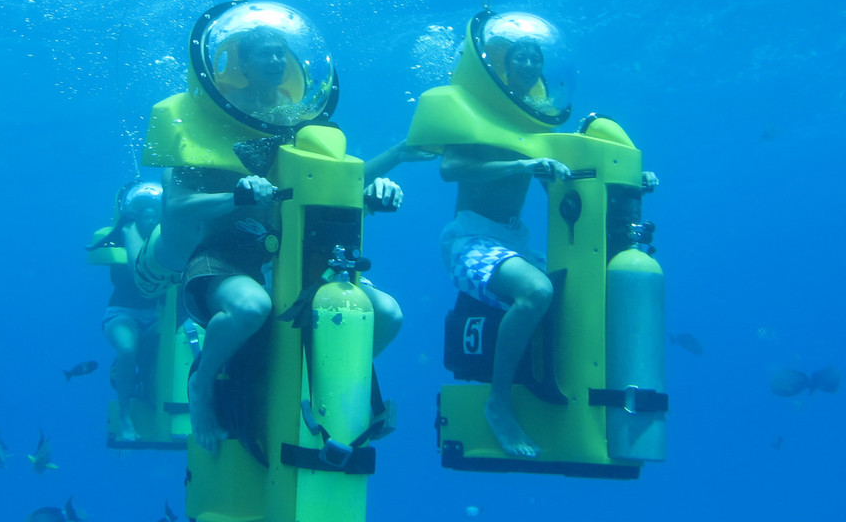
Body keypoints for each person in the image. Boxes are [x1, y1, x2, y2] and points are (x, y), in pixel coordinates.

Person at [165, 26, 405, 453]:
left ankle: (335, 382)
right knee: (250, 306)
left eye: (281, 54)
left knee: (387, 313)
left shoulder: (303, 119)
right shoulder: (206, 121)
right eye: (265, 55)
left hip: (302, 252)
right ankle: (200, 384)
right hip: (227, 255)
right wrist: (232, 196)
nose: (276, 62)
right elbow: (179, 207)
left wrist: (374, 192)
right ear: (241, 63)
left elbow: (337, 187)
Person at [437, 37, 568, 459]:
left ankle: (543, 384)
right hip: (469, 239)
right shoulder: (477, 112)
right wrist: (523, 164)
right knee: (537, 292)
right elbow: (449, 168)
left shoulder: (535, 118)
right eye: (520, 57)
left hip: (515, 240)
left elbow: (558, 184)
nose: (529, 63)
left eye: (536, 58)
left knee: (576, 294)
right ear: (502, 66)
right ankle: (499, 402)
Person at [90, 182, 162, 442]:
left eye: (155, 213)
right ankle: (123, 413)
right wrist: (129, 229)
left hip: (157, 316)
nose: (150, 217)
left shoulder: (166, 239)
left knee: (163, 352)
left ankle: (140, 383)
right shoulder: (118, 235)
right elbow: (136, 268)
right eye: (145, 213)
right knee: (128, 349)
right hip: (122, 313)